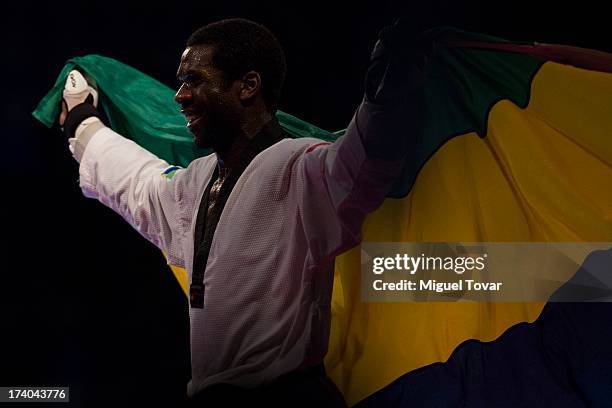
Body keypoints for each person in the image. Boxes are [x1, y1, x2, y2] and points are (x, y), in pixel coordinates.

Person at [59, 18, 426, 407]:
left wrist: (391, 86)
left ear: (247, 86)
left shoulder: (301, 168)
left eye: (195, 80)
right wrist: (84, 123)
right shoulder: (196, 182)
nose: (180, 96)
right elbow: (136, 183)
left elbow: (365, 161)